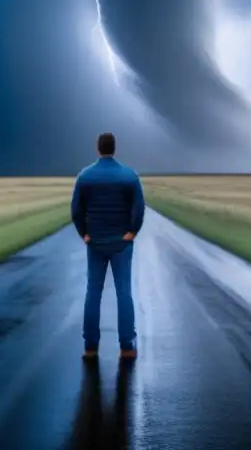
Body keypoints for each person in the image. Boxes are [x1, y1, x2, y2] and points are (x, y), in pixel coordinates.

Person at [70, 131, 145, 359]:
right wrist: (132, 232)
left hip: (96, 243)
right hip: (121, 244)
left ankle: (90, 346)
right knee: (124, 293)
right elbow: (139, 207)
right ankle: (127, 346)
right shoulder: (129, 176)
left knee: (93, 292)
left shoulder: (85, 177)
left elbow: (76, 210)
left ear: (98, 148)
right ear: (114, 148)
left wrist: (85, 235)